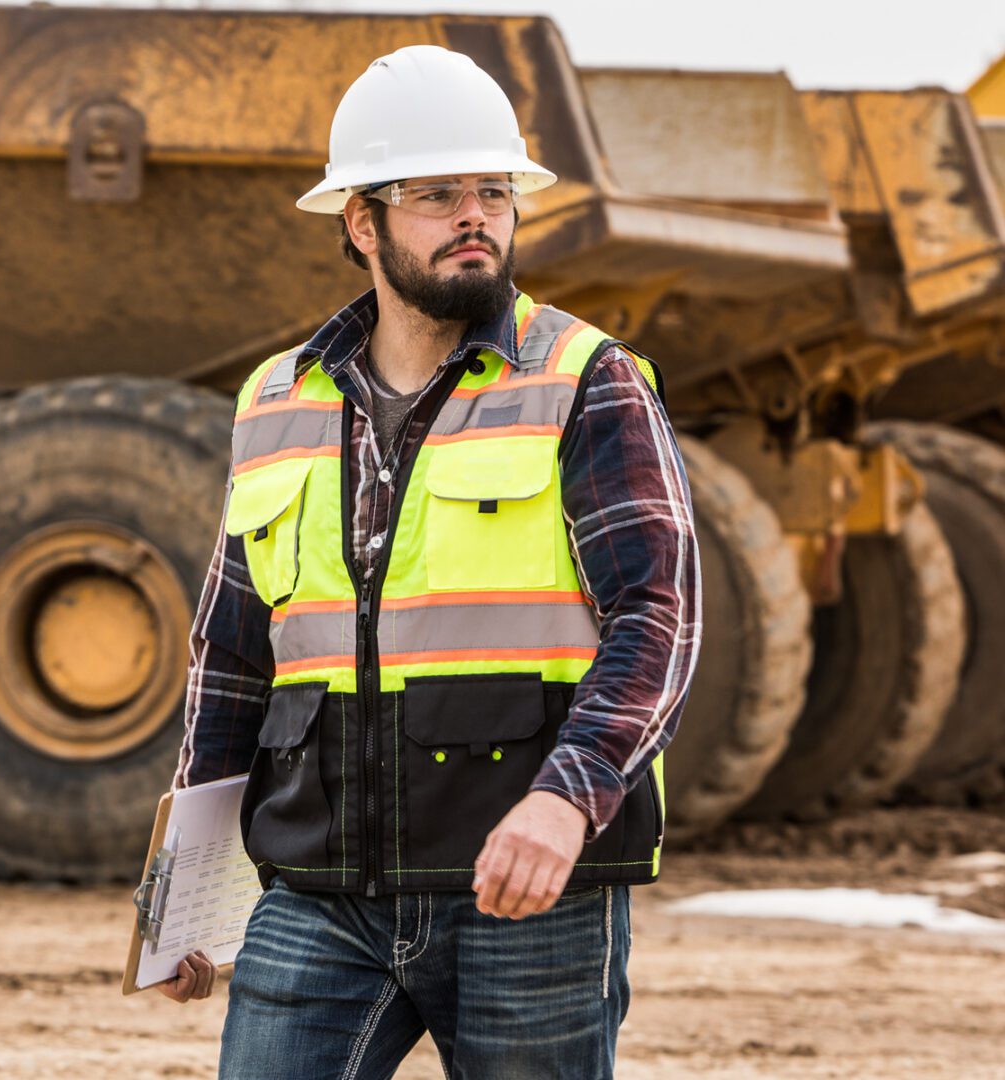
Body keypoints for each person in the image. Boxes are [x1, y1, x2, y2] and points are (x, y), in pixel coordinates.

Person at [157, 44, 701, 1079]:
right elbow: (232, 659)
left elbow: (659, 616)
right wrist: (191, 889)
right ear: (360, 223)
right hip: (318, 896)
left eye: (493, 190)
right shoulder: (278, 399)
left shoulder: (588, 381)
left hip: (526, 894)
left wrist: (565, 800)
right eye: (437, 192)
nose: (475, 215)